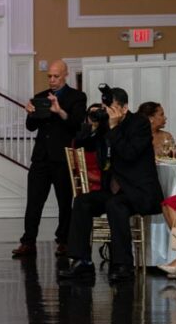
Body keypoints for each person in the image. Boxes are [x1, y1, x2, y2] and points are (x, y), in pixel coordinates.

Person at [58, 87, 163, 284]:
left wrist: (114, 129)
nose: (108, 112)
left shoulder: (139, 123)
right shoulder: (105, 124)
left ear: (124, 109)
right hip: (115, 190)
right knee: (82, 201)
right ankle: (82, 261)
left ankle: (123, 265)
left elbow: (129, 153)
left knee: (116, 205)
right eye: (106, 108)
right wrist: (92, 125)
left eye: (112, 108)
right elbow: (82, 144)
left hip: (139, 191)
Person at [13, 60, 87, 258]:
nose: (52, 80)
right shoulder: (40, 97)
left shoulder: (77, 97)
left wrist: (60, 111)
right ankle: (28, 242)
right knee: (34, 201)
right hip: (41, 158)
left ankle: (63, 241)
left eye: (56, 76)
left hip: (63, 157)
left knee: (65, 202)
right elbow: (31, 127)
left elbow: (76, 125)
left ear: (65, 75)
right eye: (50, 76)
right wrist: (30, 113)